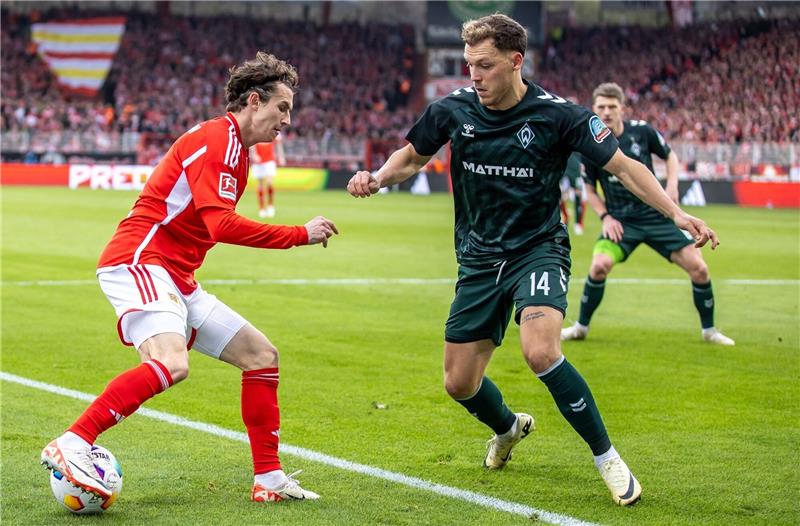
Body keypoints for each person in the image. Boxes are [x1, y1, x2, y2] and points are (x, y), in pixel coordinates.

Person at [347, 14, 720, 506]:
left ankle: (606, 455)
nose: (473, 76)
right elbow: (412, 157)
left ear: (515, 61)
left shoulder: (560, 116)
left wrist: (676, 213)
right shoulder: (453, 110)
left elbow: (626, 168)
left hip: (537, 249)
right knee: (459, 383)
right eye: (468, 65)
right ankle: (507, 428)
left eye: (484, 65)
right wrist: (376, 176)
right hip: (479, 259)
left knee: (540, 350)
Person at [40, 52, 338, 503]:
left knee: (261, 355)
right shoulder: (218, 140)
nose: (287, 121)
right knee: (172, 363)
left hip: (175, 274)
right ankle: (74, 441)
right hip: (140, 260)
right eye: (283, 108)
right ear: (254, 101)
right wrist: (299, 233)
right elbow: (221, 224)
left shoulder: (237, 152)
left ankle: (269, 479)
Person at [561, 83, 734, 346]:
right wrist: (606, 217)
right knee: (598, 266)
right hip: (621, 222)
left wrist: (673, 184)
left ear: (622, 108)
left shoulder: (641, 131)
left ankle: (709, 331)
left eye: (611, 106)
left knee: (699, 268)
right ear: (594, 109)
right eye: (601, 107)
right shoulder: (591, 143)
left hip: (657, 217)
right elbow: (589, 190)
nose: (606, 112)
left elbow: (670, 156)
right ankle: (581, 327)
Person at [250, 133, 285, 218]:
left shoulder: (274, 129)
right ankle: (261, 208)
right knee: (260, 184)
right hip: (259, 161)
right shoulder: (257, 129)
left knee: (270, 183)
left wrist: (281, 156)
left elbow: (279, 144)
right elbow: (252, 143)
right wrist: (254, 155)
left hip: (269, 160)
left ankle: (270, 206)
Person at [559, 151, 586, 235]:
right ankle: (565, 217)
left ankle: (578, 223)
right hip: (565, 169)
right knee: (561, 196)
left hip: (576, 170)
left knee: (579, 195)